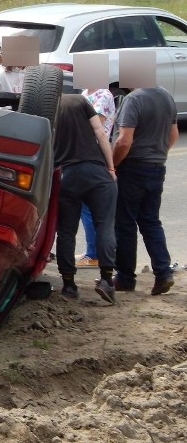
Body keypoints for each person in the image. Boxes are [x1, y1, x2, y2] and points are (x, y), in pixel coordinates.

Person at [112, 86, 179, 295]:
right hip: (157, 166)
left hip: (132, 168)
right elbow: (173, 133)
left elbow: (124, 140)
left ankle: (125, 278)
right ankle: (163, 272)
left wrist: (112, 165)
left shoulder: (133, 99)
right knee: (151, 221)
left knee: (125, 223)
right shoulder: (166, 96)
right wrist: (158, 154)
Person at [53, 93, 118, 304]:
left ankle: (69, 285)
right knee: (105, 226)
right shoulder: (79, 101)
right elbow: (100, 133)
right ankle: (107, 280)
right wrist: (110, 167)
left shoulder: (47, 108)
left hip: (68, 175)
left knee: (66, 232)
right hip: (96, 171)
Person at [75, 88, 117, 268]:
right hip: (84, 152)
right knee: (85, 207)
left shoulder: (103, 95)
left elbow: (96, 127)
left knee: (89, 208)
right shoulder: (84, 93)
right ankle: (93, 251)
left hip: (95, 153)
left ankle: (94, 254)